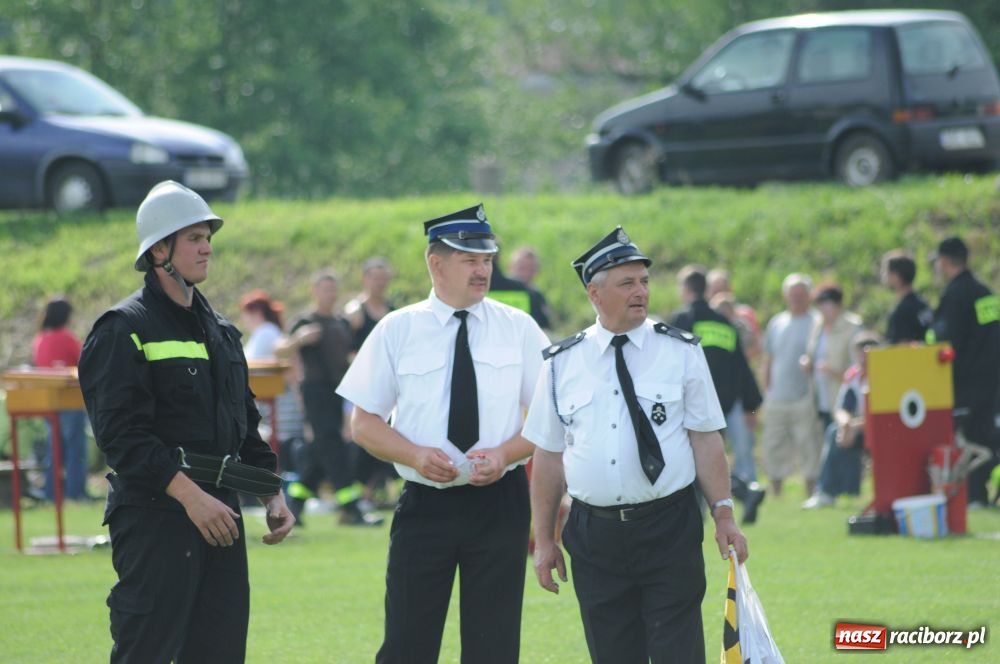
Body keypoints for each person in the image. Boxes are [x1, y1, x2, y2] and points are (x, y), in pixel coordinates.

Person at [77, 181, 294, 663]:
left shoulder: (221, 331)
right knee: (147, 652)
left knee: (219, 653)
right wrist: (190, 497)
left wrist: (270, 490)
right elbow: (122, 439)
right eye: (194, 237)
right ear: (159, 249)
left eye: (207, 237)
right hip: (155, 516)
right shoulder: (122, 329)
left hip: (222, 515)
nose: (206, 247)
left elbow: (244, 423)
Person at [337, 203, 549, 664]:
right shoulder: (398, 329)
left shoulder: (519, 329)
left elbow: (550, 419)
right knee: (407, 644)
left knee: (493, 646)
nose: (483, 270)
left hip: (500, 503)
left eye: (488, 260)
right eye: (470, 260)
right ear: (436, 263)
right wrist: (413, 455)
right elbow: (364, 423)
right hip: (424, 505)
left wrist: (506, 452)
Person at [525, 227, 748, 664]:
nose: (640, 291)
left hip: (668, 527)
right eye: (626, 283)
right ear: (595, 292)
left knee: (677, 653)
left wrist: (724, 514)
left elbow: (705, 440)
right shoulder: (562, 363)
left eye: (644, 281)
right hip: (594, 535)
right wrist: (544, 538)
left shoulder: (680, 350)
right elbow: (548, 456)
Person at [277, 271, 381, 526]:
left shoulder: (340, 323)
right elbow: (279, 349)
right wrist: (298, 340)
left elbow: (351, 356)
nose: (329, 294)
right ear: (315, 292)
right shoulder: (305, 321)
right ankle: (351, 508)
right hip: (315, 392)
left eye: (333, 290)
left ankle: (295, 505)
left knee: (320, 449)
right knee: (334, 448)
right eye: (325, 289)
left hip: (338, 392)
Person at [669, 265, 766, 524]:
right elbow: (741, 367)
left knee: (693, 459)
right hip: (721, 404)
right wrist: (751, 404)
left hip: (688, 403)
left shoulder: (682, 320)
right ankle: (743, 490)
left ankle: (735, 494)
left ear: (687, 289)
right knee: (709, 456)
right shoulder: (724, 322)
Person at [929, 236, 1000, 508]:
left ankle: (970, 495)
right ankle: (979, 496)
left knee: (967, 439)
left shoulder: (954, 295)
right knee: (983, 435)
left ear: (945, 262)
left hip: (963, 383)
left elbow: (946, 343)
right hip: (991, 380)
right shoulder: (985, 292)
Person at [803, 332, 881, 509]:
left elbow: (881, 415)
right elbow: (841, 407)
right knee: (833, 431)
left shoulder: (884, 375)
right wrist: (845, 425)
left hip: (881, 430)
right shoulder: (853, 374)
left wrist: (853, 427)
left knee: (835, 433)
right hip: (858, 428)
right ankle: (826, 492)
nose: (863, 360)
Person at [760, 273, 822, 497]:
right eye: (793, 294)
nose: (796, 298)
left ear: (809, 296)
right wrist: (767, 391)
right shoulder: (777, 322)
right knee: (774, 446)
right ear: (786, 296)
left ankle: (811, 491)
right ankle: (776, 493)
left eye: (801, 294)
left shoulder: (817, 322)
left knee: (808, 445)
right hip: (777, 397)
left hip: (804, 396)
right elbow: (769, 359)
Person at [344, 257, 398, 507]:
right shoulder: (355, 312)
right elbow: (345, 349)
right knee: (360, 435)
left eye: (383, 277)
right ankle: (360, 492)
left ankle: (377, 491)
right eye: (374, 277)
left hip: (389, 385)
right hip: (362, 385)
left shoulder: (393, 312)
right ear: (365, 280)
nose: (379, 282)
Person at [240, 289, 306, 475]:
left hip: (275, 396)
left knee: (280, 440)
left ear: (255, 312)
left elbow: (250, 361)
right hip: (267, 396)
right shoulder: (265, 332)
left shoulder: (266, 332)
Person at [32, 295, 90, 501]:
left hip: (49, 401)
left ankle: (51, 492)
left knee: (54, 450)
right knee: (76, 450)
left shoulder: (40, 339)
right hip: (70, 401)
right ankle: (75, 493)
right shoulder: (67, 338)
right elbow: (85, 362)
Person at [802, 283, 862, 434]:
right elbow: (812, 353)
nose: (823, 309)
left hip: (843, 402)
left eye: (828, 304)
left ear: (839, 305)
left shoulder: (853, 327)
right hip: (819, 401)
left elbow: (860, 367)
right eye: (820, 304)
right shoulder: (817, 326)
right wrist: (807, 363)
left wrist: (834, 372)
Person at [489, 245, 552, 330]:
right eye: (522, 268)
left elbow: (544, 328)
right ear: (510, 266)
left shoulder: (536, 296)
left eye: (531, 269)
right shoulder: (488, 287)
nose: (526, 273)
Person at [880, 249, 933, 344]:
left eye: (886, 272)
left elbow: (902, 349)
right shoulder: (923, 305)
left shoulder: (901, 312)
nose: (883, 276)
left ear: (896, 276)